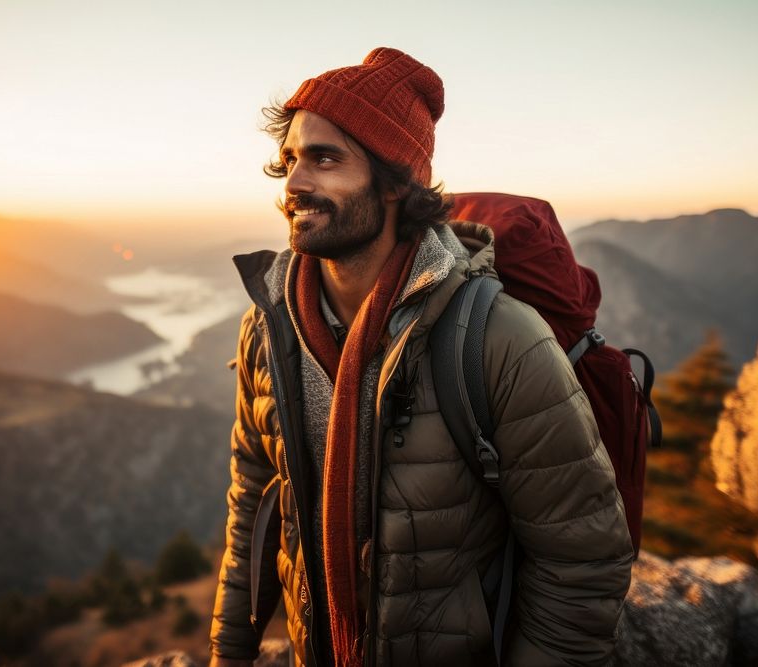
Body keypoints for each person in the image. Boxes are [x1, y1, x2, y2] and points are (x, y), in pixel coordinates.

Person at [210, 47, 633, 667]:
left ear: (394, 183)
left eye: (325, 158)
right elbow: (253, 504)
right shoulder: (269, 329)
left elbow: (583, 560)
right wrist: (229, 654)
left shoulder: (498, 338)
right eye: (290, 159)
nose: (294, 183)